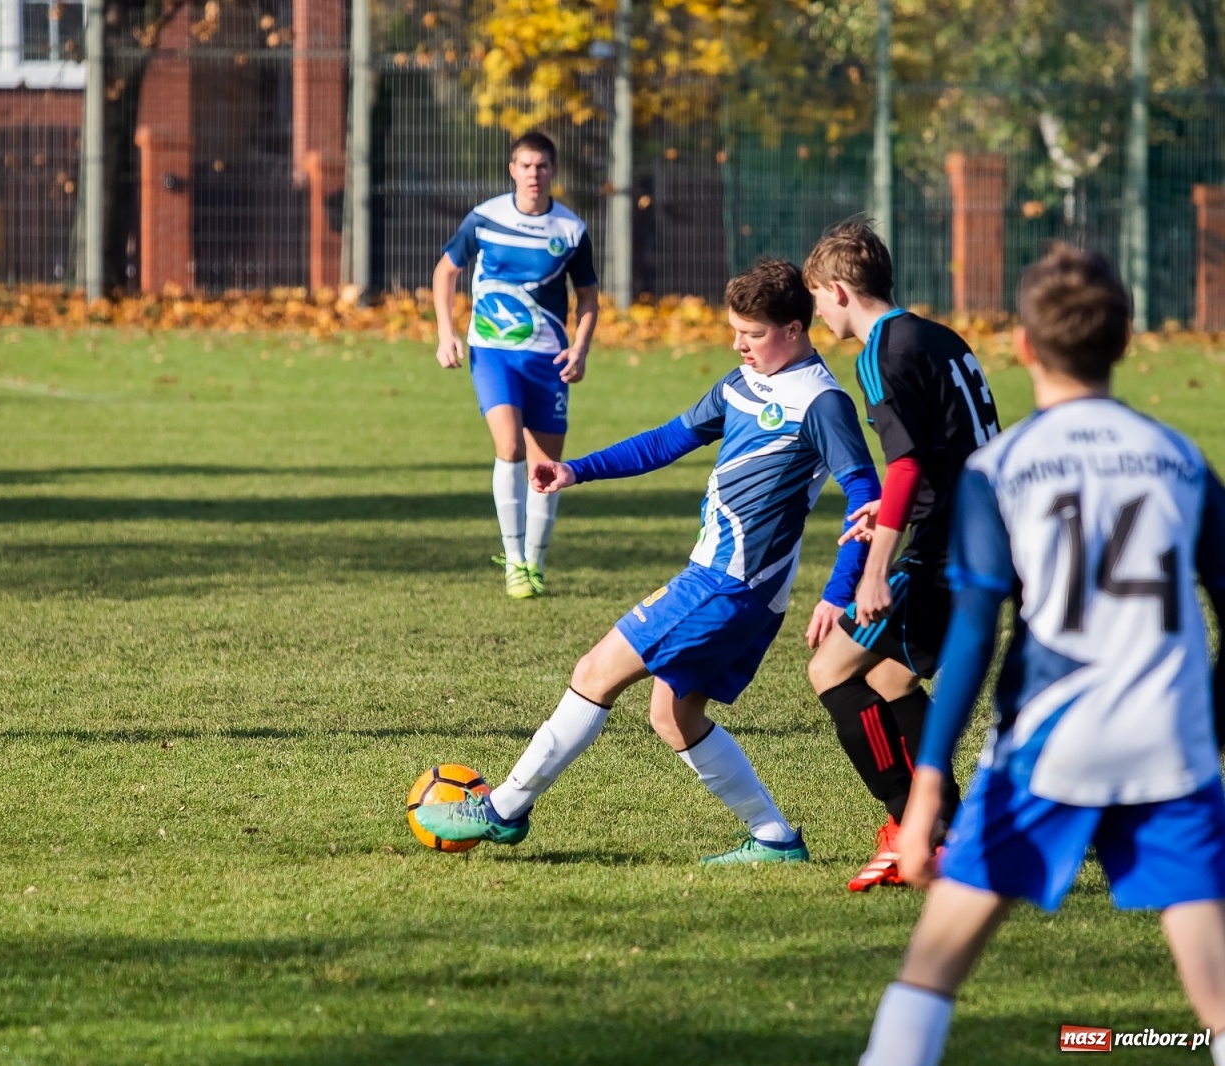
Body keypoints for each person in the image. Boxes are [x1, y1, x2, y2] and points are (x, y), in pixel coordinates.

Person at [859, 245, 1225, 1065]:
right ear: (1126, 342)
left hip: (1050, 741)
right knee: (1217, 995)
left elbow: (974, 632)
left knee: (932, 969)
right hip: (1170, 743)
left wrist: (925, 789)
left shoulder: (1003, 469)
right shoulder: (1182, 462)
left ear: (1023, 346)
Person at [413, 259, 879, 863]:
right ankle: (774, 838)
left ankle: (503, 809)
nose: (738, 344)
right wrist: (577, 468)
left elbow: (867, 499)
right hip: (736, 587)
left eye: (753, 333)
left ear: (794, 328)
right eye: (734, 330)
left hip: (728, 585)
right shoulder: (742, 383)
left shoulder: (821, 403)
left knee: (594, 672)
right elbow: (667, 440)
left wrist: (840, 592)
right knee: (674, 715)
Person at [802, 220, 1000, 892]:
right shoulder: (935, 335)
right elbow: (943, 449)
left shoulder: (879, 351)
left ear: (837, 290)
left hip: (944, 547)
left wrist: (877, 567)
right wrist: (887, 507)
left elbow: (912, 461)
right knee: (889, 680)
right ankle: (951, 827)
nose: (818, 314)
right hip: (978, 531)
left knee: (830, 671)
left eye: (818, 300)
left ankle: (906, 825)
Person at [432, 130, 599, 599]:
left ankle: (534, 564)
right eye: (525, 165)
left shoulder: (570, 230)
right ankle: (511, 559)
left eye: (541, 165)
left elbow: (587, 296)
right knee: (509, 447)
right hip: (493, 353)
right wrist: (446, 333)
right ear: (512, 170)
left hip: (548, 358)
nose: (533, 174)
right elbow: (446, 271)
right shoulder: (485, 219)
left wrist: (581, 348)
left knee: (547, 467)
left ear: (553, 172)